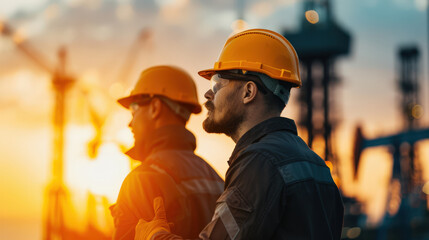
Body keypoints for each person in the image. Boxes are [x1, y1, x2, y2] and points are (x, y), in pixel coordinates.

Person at [134, 29, 344, 240]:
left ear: (248, 92)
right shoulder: (318, 167)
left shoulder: (260, 162)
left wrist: (154, 236)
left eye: (217, 83)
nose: (208, 94)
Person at [110, 65, 224, 240]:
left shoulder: (143, 179)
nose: (130, 123)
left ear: (155, 107)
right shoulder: (217, 179)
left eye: (134, 109)